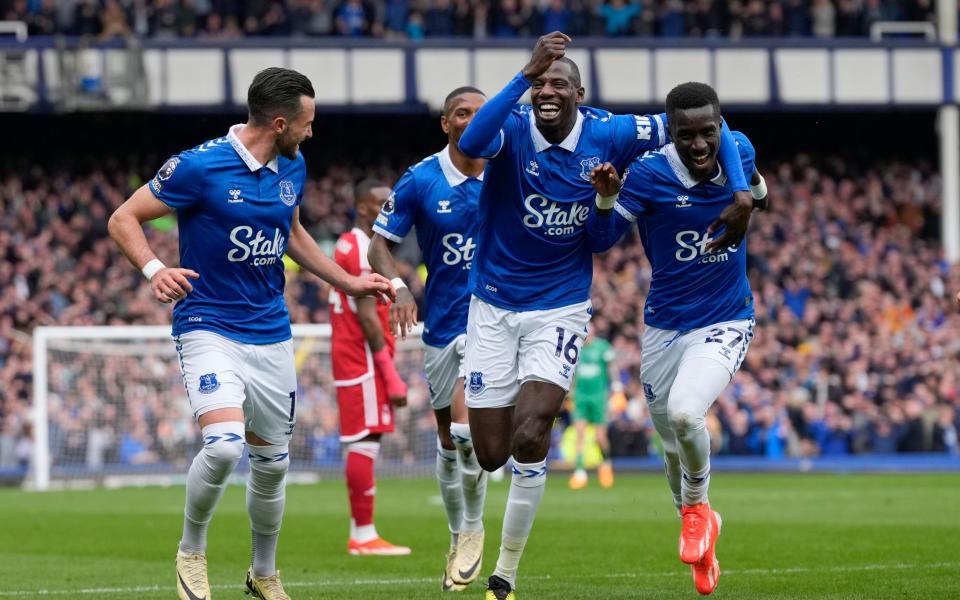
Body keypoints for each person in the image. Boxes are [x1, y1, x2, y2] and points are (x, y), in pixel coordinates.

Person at [456, 31, 754, 600]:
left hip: (561, 306)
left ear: (580, 94)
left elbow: (718, 129)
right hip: (493, 303)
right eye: (540, 83)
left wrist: (742, 195)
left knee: (533, 431)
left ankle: (506, 574)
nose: (547, 91)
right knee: (491, 451)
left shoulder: (611, 132)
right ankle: (472, 522)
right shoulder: (513, 129)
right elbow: (471, 139)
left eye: (558, 83)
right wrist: (525, 73)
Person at [107, 67, 394, 600]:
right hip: (208, 325)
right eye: (307, 123)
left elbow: (292, 233)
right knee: (222, 447)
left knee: (272, 465)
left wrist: (349, 281)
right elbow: (124, 218)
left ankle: (263, 573)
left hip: (271, 333)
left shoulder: (293, 165)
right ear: (280, 121)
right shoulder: (198, 166)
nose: (311, 133)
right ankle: (191, 553)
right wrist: (154, 270)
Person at [586, 81, 768, 596]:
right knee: (670, 449)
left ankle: (696, 511)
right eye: (686, 134)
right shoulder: (647, 175)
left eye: (708, 132)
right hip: (664, 328)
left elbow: (762, 194)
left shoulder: (741, 148)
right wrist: (607, 199)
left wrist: (748, 200)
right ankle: (702, 532)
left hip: (726, 319)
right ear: (670, 131)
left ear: (719, 127)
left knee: (689, 413)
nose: (699, 144)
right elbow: (600, 242)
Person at [368, 87, 491, 590]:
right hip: (441, 323)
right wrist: (398, 286)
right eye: (462, 113)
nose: (472, 121)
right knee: (447, 441)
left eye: (482, 114)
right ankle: (456, 531)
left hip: (494, 321)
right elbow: (380, 246)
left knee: (465, 435)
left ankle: (473, 530)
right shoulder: (421, 179)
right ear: (446, 123)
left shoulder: (511, 167)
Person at [330, 178, 412, 557]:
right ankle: (363, 535)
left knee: (366, 441)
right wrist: (389, 372)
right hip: (362, 359)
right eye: (382, 204)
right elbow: (366, 315)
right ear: (363, 208)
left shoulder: (348, 244)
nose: (388, 210)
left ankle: (359, 531)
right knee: (365, 439)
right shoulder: (361, 248)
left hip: (354, 357)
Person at [567, 324, 622, 490]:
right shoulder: (575, 348)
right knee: (580, 433)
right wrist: (571, 391)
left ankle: (606, 465)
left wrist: (617, 387)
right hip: (581, 397)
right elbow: (573, 373)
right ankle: (579, 472)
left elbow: (612, 367)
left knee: (600, 436)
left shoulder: (602, 347)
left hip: (599, 397)